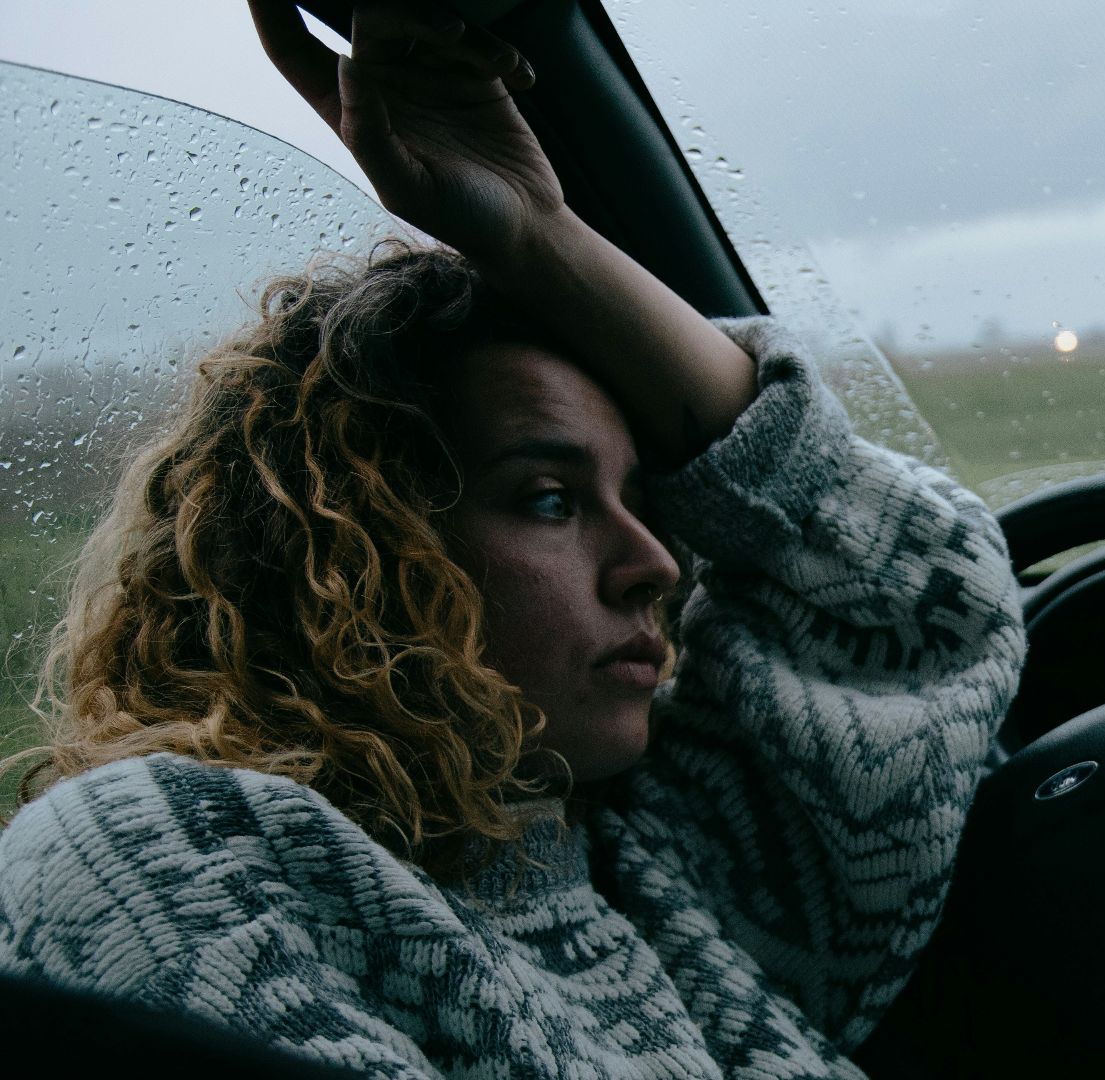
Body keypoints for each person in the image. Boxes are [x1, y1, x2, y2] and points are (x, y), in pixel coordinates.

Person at [0, 3, 1025, 1077]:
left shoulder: (655, 861)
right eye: (549, 499)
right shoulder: (172, 856)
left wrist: (545, 235)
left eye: (644, 497)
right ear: (352, 552)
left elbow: (915, 594)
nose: (659, 564)